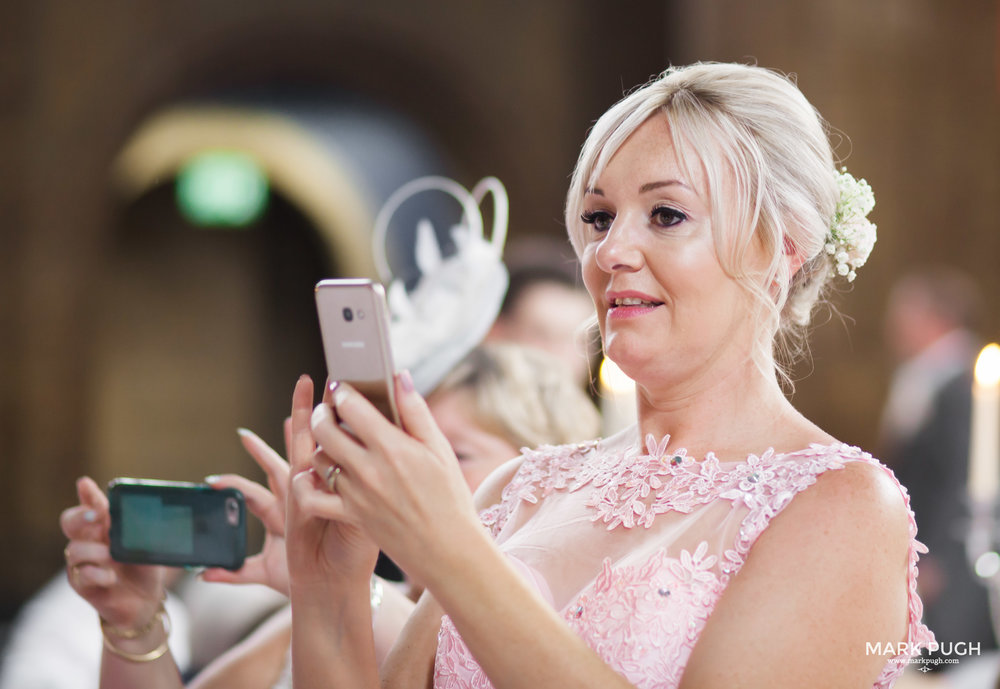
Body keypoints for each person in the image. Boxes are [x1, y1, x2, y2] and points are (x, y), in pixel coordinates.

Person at [63, 61, 934, 689]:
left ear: (780, 248)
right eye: (597, 216)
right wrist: (331, 589)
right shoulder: (520, 488)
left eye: (665, 214)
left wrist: (451, 547)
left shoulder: (839, 507)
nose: (610, 251)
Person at [59, 342, 599, 689]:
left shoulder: (536, 638)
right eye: (393, 444)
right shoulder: (315, 609)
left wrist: (338, 589)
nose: (400, 469)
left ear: (538, 469)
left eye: (453, 454)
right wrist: (133, 622)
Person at [878, 268, 993, 665]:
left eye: (905, 312)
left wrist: (935, 556)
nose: (893, 324)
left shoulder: (965, 383)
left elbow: (964, 478)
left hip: (949, 563)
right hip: (918, 551)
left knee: (943, 664)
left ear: (936, 318)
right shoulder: (927, 375)